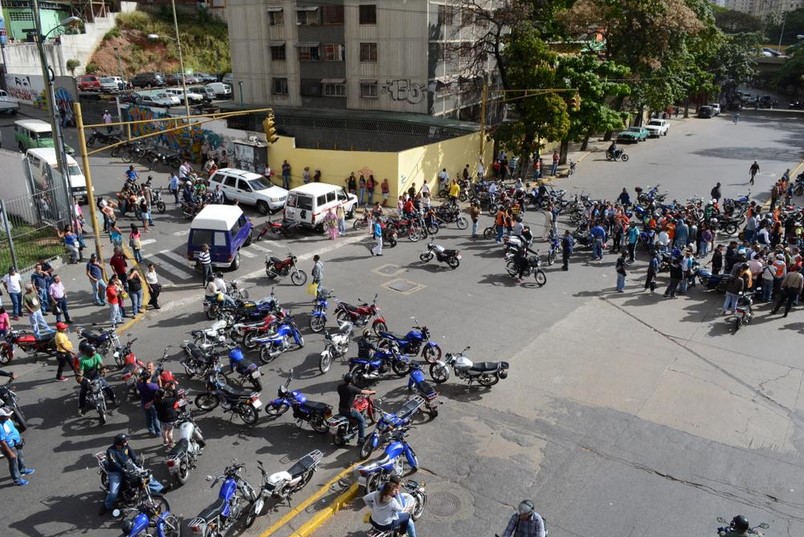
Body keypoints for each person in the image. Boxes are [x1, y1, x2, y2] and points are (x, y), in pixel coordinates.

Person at [100, 434, 164, 515]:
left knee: (144, 475)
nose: (127, 442)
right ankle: (106, 506)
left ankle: (160, 489)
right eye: (125, 441)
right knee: (113, 493)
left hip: (128, 466)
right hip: (116, 472)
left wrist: (137, 463)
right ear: (120, 443)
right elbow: (114, 463)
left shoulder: (126, 446)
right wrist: (123, 470)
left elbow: (132, 454)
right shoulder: (110, 451)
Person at [76, 340, 117, 415]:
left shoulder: (97, 356)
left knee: (107, 386)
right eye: (92, 353)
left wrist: (103, 369)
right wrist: (80, 377)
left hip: (96, 374)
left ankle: (114, 399)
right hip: (87, 376)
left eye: (94, 352)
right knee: (83, 392)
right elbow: (81, 370)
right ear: (88, 353)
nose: (94, 354)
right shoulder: (83, 360)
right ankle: (81, 408)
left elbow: (101, 364)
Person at [0, 406, 34, 486]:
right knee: (13, 463)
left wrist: (19, 437)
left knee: (20, 456)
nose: (9, 416)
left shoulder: (7, 420)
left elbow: (12, 430)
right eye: (7, 415)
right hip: (9, 447)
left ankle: (22, 470)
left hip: (17, 443)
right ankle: (17, 480)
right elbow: (2, 441)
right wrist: (10, 453)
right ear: (1, 416)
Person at [338, 373, 376, 445]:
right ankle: (361, 439)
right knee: (362, 421)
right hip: (349, 411)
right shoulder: (352, 388)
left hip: (341, 409)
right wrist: (372, 392)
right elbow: (363, 391)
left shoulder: (339, 387)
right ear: (351, 380)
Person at [137, 371, 161, 437]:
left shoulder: (139, 385)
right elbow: (159, 395)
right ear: (149, 378)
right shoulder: (154, 386)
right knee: (155, 418)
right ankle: (158, 432)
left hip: (144, 403)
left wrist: (141, 378)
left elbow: (138, 381)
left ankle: (151, 430)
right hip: (152, 403)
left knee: (148, 417)